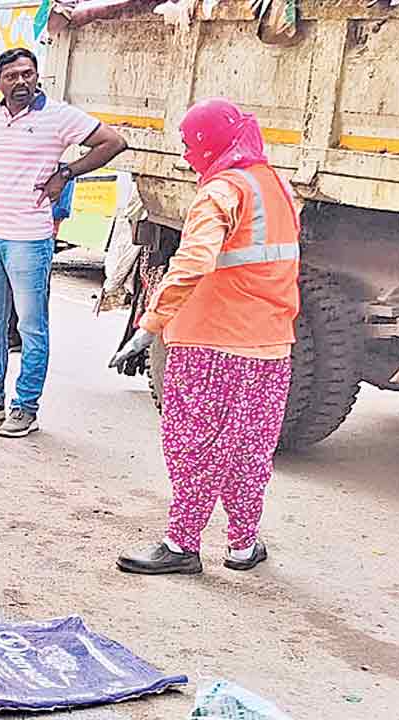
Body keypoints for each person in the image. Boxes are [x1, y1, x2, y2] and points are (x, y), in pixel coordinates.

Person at [112, 98, 299, 575]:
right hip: (271, 347)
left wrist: (149, 325)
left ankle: (181, 544)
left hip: (209, 346)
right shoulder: (277, 185)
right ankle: (242, 545)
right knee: (249, 449)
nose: (186, 156)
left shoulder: (221, 190)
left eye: (189, 145)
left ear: (209, 143)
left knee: (193, 444)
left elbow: (193, 261)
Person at [0, 48, 126, 437]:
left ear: (37, 77)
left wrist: (65, 173)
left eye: (28, 74)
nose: (21, 82)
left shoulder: (59, 116)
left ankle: (25, 407)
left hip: (29, 239)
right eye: (12, 76)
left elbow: (112, 142)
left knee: (32, 328)